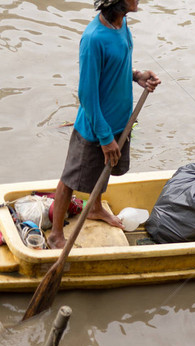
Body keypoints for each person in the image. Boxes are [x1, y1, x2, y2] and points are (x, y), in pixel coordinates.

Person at [48, 0, 161, 249]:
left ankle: (95, 207)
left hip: (120, 120)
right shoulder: (93, 39)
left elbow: (115, 66)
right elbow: (87, 94)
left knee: (106, 168)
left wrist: (137, 76)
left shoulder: (122, 24)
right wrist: (105, 137)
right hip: (95, 128)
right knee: (71, 178)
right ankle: (56, 234)